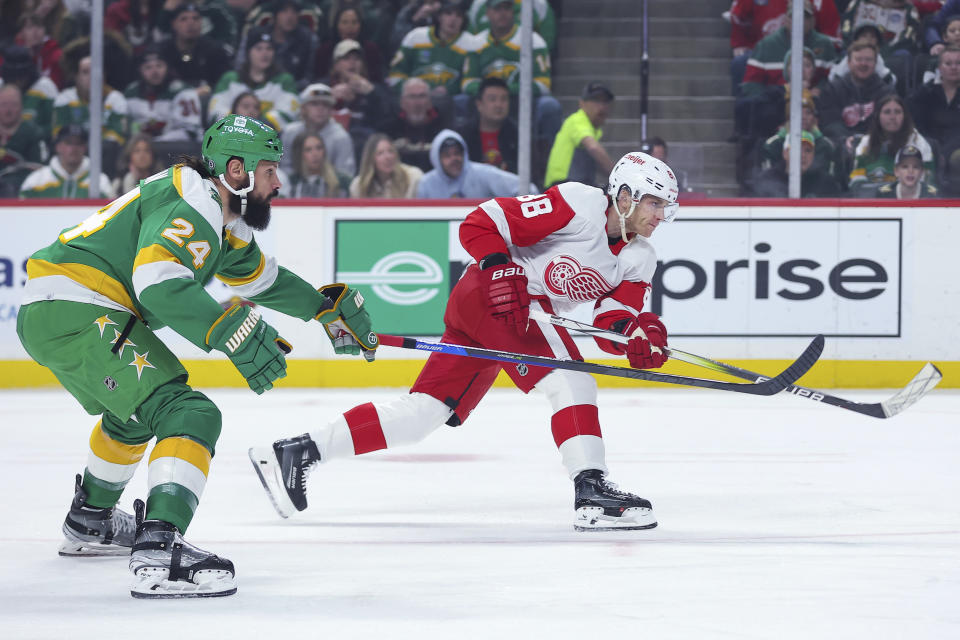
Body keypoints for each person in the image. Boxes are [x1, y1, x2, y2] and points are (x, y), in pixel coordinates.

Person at [16, 113, 377, 598]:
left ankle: (91, 519)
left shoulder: (220, 218)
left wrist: (321, 309)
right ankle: (161, 551)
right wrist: (228, 331)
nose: (280, 182)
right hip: (79, 305)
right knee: (190, 412)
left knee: (134, 417)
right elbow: (157, 283)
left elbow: (260, 280)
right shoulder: (196, 199)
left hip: (55, 309)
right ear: (236, 171)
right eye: (270, 170)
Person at [250, 151, 681, 532]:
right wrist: (498, 267)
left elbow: (613, 319)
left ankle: (298, 452)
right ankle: (591, 491)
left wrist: (636, 336)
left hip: (509, 315)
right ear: (624, 195)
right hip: (490, 297)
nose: (661, 215)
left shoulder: (640, 256)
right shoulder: (578, 204)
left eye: (665, 206)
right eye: (654, 203)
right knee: (570, 378)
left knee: (424, 413)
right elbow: (482, 221)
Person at [461, 0, 561, 147]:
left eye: (507, 9)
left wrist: (508, 91)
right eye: (497, 9)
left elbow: (543, 84)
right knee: (460, 101)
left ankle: (550, 158)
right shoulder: (476, 43)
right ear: (488, 12)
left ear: (514, 12)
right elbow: (467, 83)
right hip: (488, 101)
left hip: (523, 98)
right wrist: (489, 93)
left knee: (550, 106)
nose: (502, 14)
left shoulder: (534, 40)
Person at [388, 0, 479, 111]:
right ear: (439, 17)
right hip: (413, 97)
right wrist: (411, 90)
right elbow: (396, 73)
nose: (453, 19)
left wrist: (450, 90)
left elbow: (470, 80)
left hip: (450, 101)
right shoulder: (415, 36)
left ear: (464, 20)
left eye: (459, 16)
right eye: (448, 14)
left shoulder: (470, 43)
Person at [208, 27, 300, 131]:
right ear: (248, 52)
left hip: (270, 139)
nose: (264, 53)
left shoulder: (284, 81)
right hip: (230, 136)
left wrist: (257, 126)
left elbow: (289, 112)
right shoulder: (230, 79)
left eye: (269, 48)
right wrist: (238, 124)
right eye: (258, 48)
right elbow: (215, 110)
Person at [849, 94, 936, 195]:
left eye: (897, 112)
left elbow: (926, 184)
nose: (892, 117)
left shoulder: (919, 143)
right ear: (878, 116)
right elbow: (857, 182)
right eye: (887, 112)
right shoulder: (866, 143)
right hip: (872, 202)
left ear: (905, 116)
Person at [816, 40, 895, 147]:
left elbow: (888, 123)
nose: (863, 63)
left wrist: (866, 141)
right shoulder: (833, 89)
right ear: (849, 62)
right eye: (858, 59)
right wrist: (847, 139)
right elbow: (829, 122)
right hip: (840, 146)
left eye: (868, 60)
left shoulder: (886, 93)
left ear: (875, 63)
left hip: (875, 146)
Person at [417, 128, 532, 198]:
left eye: (457, 153)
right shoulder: (426, 183)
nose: (454, 159)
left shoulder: (484, 173)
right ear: (436, 159)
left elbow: (528, 189)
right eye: (447, 155)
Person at [124, 45, 203, 142]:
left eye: (159, 65)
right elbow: (124, 127)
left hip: (179, 150)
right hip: (142, 149)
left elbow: (190, 132)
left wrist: (156, 143)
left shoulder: (183, 92)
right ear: (140, 71)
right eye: (148, 67)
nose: (155, 72)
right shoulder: (131, 92)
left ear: (167, 67)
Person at [544, 81, 615, 188]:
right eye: (595, 101)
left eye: (605, 102)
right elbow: (593, 148)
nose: (601, 107)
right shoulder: (577, 120)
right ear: (581, 104)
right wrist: (617, 174)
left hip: (574, 185)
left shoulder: (594, 129)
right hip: (560, 185)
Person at [158, 2, 233, 99]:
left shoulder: (215, 50)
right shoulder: (163, 51)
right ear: (174, 24)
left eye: (195, 18)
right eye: (183, 19)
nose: (190, 23)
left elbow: (224, 85)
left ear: (201, 22)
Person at [281, 82, 356, 178]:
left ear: (330, 110)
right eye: (314, 104)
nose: (320, 109)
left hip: (330, 188)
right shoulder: (290, 132)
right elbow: (284, 168)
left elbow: (345, 174)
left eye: (325, 105)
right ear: (303, 109)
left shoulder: (341, 137)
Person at [19, 124, 114, 198]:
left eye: (79, 143)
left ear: (84, 148)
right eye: (68, 143)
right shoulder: (36, 180)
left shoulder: (100, 181)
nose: (74, 148)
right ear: (58, 147)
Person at [378, 77, 446, 173]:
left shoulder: (443, 127)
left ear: (430, 102)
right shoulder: (388, 128)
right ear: (402, 102)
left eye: (422, 96)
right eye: (412, 97)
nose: (417, 102)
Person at [456, 76, 519, 173]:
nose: (499, 104)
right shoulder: (463, 136)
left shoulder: (518, 135)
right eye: (492, 99)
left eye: (504, 99)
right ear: (479, 105)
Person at [751, 129, 841, 196]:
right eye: (797, 149)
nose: (803, 155)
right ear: (785, 153)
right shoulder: (767, 180)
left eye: (808, 150)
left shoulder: (826, 183)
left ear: (813, 155)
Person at [908, 46, 960, 152]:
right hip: (929, 148)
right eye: (948, 64)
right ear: (939, 68)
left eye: (958, 63)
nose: (954, 67)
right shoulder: (925, 92)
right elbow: (917, 126)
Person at [314, 5, 385, 82]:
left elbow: (378, 81)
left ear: (361, 25)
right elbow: (316, 80)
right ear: (337, 25)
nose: (349, 27)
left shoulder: (371, 50)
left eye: (354, 22)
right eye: (344, 22)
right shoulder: (324, 50)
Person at [0, 84, 46, 197]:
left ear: (21, 107)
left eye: (14, 105)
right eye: (4, 104)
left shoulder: (33, 133)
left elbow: (38, 168)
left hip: (20, 189)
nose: (8, 110)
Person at [348, 132, 423, 197]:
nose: (388, 157)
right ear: (370, 159)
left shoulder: (413, 177)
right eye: (380, 153)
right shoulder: (358, 186)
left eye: (390, 151)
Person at [466, 0, 556, 52]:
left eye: (506, 8)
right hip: (486, 69)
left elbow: (548, 39)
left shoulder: (538, 3)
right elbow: (470, 40)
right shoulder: (478, 5)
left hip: (525, 67)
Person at [286, 131, 350, 197]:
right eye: (308, 150)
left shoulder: (343, 182)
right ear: (299, 155)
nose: (315, 154)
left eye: (319, 148)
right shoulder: (291, 182)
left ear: (324, 151)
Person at [876, 144, 940, 198]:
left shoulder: (932, 195)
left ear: (922, 172)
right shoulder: (884, 194)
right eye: (905, 167)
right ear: (896, 171)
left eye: (915, 167)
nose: (910, 171)